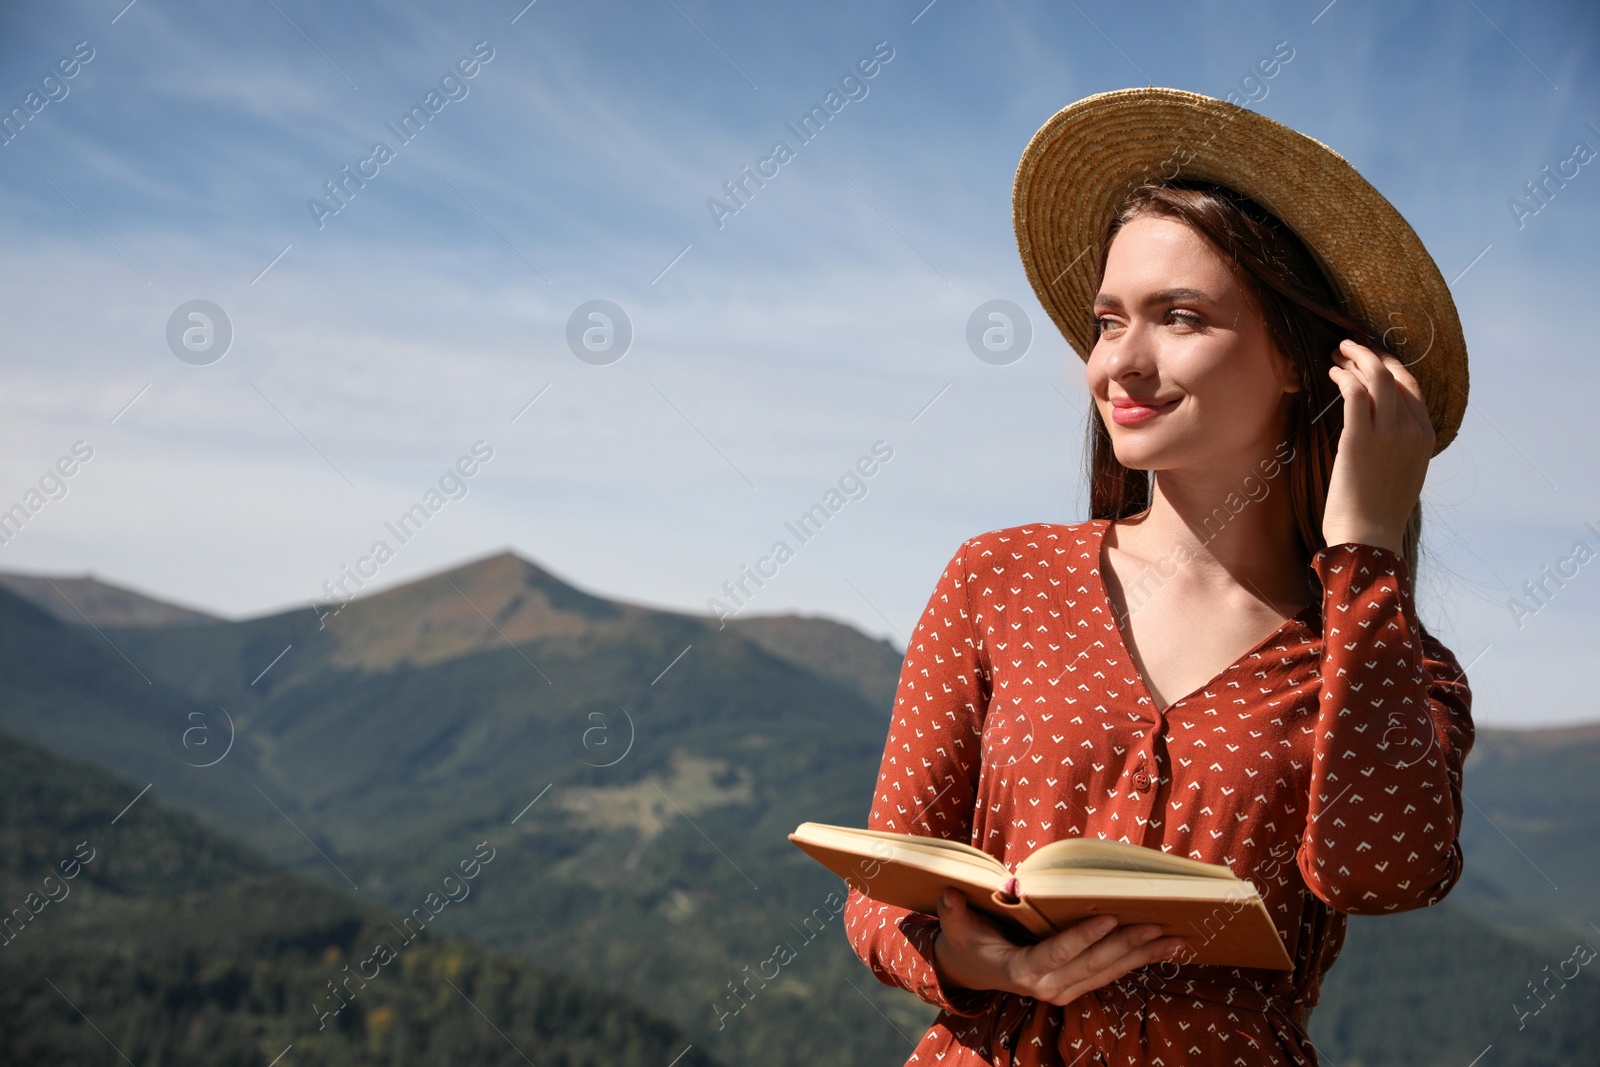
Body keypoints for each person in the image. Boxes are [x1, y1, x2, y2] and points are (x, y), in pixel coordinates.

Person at [841, 87, 1475, 1066]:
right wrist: (976, 963)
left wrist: (1365, 551)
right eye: (1107, 320)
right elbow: (883, 892)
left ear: (1308, 362)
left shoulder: (1386, 656)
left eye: (1178, 316)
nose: (1119, 363)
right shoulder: (996, 576)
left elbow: (1379, 872)